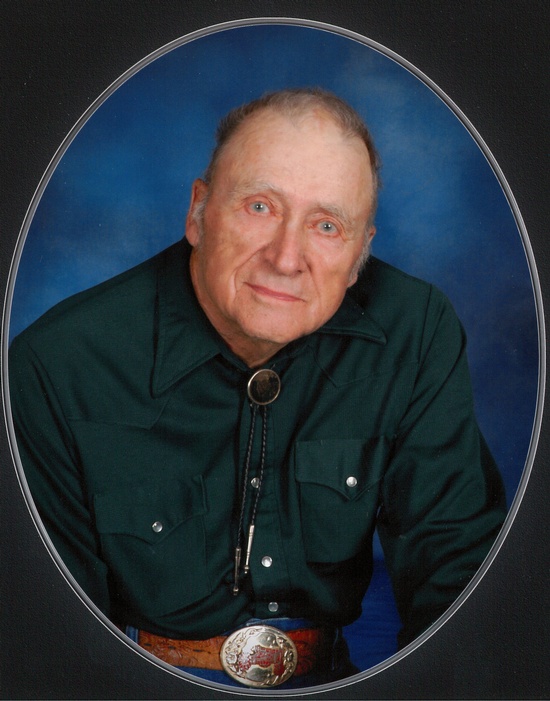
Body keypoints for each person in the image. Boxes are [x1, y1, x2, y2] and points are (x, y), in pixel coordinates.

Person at [9, 88, 506, 689]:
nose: (287, 258)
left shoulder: (415, 331)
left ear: (359, 253)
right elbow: (55, 639)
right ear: (198, 212)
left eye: (327, 225)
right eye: (260, 207)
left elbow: (459, 579)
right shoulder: (59, 365)